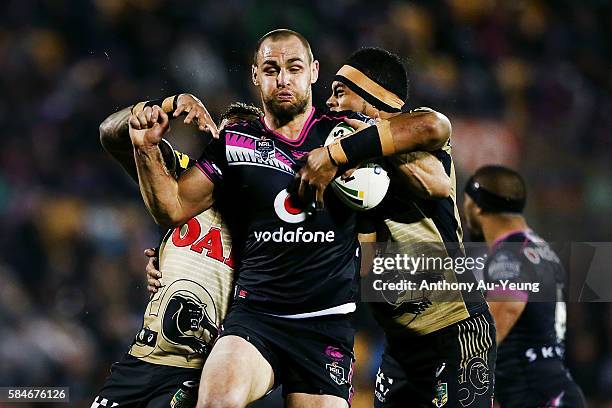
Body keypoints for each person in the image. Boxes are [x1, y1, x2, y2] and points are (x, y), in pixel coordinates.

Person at [128, 29, 451, 408]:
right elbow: (173, 208)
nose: (282, 79)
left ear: (313, 72)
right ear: (255, 76)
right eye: (271, 69)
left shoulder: (343, 131)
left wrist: (334, 156)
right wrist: (145, 148)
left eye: (293, 68)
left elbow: (434, 128)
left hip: (325, 328)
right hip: (256, 319)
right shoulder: (235, 141)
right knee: (216, 402)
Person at [326, 47, 496, 408]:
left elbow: (435, 182)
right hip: (399, 346)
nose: (330, 102)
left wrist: (370, 138)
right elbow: (367, 268)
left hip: (455, 333)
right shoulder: (345, 158)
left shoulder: (421, 129)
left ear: (372, 95)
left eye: (340, 92)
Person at [93, 99, 262, 408]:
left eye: (246, 143)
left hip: (201, 373)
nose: (235, 153)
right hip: (140, 359)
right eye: (227, 140)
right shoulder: (184, 176)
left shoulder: (271, 218)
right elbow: (109, 134)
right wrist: (159, 107)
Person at [463, 165, 585, 408]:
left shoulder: (508, 256)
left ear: (477, 205)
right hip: (554, 389)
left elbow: (504, 312)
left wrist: (459, 365)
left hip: (535, 394)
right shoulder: (542, 250)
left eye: (465, 201)